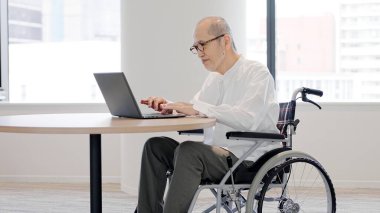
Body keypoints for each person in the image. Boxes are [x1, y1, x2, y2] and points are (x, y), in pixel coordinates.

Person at [135, 16, 280, 213]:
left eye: (202, 44)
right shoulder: (213, 79)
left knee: (189, 151)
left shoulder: (257, 73)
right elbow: (196, 109)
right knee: (155, 146)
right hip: (216, 155)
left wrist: (196, 108)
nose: (199, 53)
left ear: (225, 41)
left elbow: (248, 118)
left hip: (247, 159)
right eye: (196, 47)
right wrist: (171, 106)